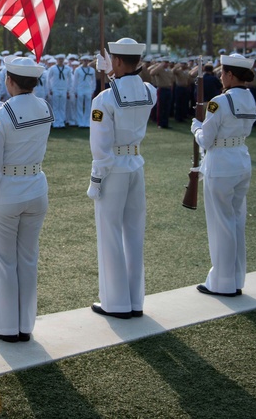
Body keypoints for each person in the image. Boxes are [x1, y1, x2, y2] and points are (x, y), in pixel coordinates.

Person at [0, 55, 51, 343]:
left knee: (5, 263)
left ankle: (5, 327)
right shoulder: (43, 107)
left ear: (9, 80)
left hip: (6, 192)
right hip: (36, 188)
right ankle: (24, 325)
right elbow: (11, 111)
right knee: (27, 260)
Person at [87, 38, 156, 319]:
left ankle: (115, 302)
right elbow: (138, 89)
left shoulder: (104, 98)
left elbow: (100, 146)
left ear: (115, 61)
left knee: (110, 234)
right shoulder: (150, 91)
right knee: (134, 233)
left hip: (113, 167)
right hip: (136, 164)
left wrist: (96, 179)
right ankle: (135, 300)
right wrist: (116, 76)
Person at [190, 53, 256, 297]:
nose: (220, 76)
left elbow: (206, 140)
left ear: (230, 75)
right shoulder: (249, 97)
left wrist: (196, 128)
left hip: (221, 163)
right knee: (237, 222)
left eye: (223, 72)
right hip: (241, 158)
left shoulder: (218, 102)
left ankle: (221, 282)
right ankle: (236, 278)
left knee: (222, 225)